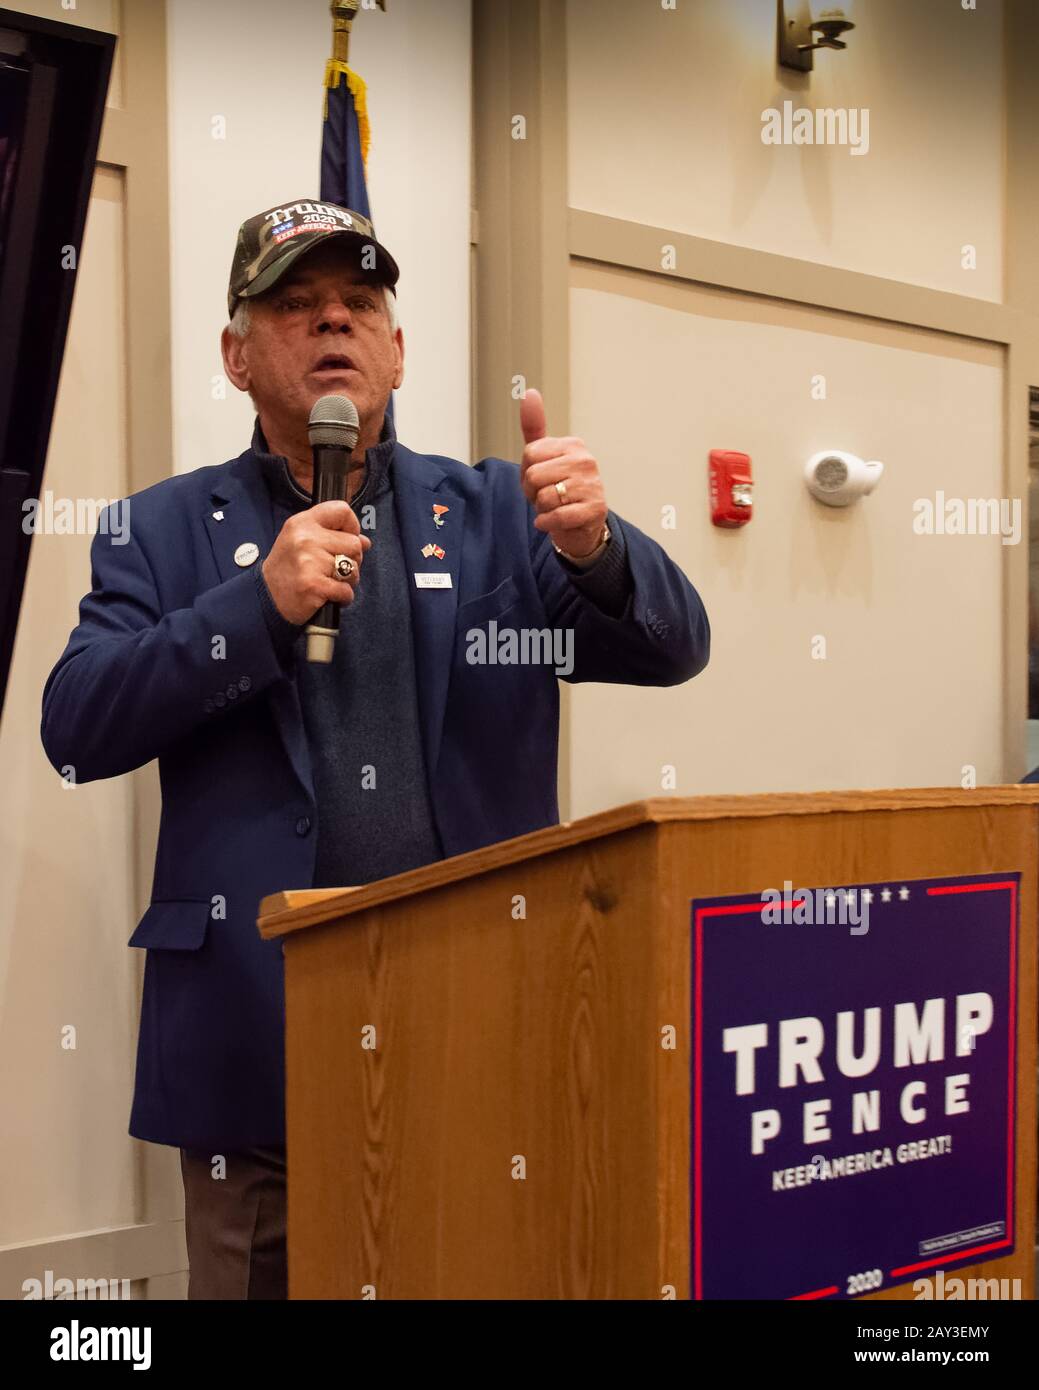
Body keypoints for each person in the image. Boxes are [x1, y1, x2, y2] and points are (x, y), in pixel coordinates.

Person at [40, 197, 710, 1299]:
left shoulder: (499, 512)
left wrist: (598, 549)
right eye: (296, 306)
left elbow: (672, 646)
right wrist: (252, 606)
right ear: (235, 354)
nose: (333, 323)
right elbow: (76, 723)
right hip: (255, 1049)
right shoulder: (155, 530)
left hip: (474, 1028)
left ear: (398, 348)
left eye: (359, 303)